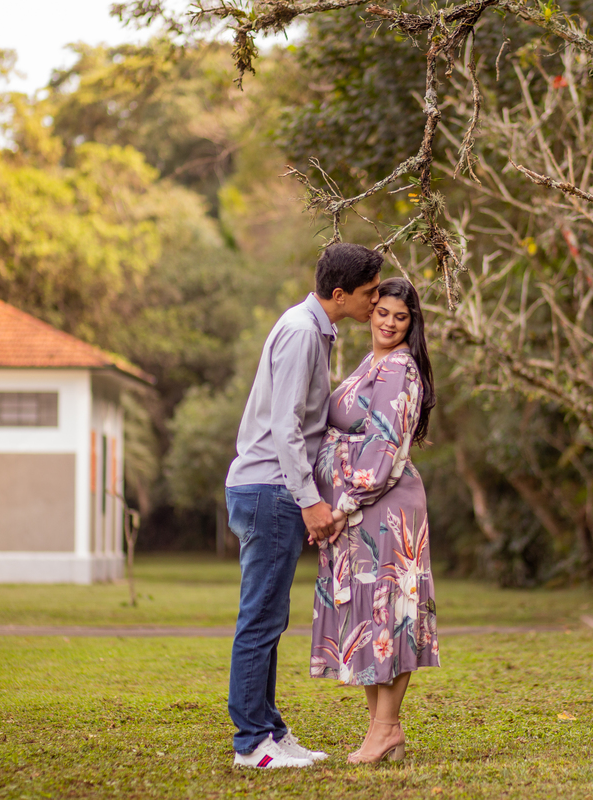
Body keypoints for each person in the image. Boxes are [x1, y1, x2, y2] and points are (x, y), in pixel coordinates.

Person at [224, 243, 383, 769]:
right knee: (260, 619)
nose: (376, 301)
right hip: (272, 489)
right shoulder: (300, 333)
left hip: (273, 490)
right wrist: (311, 502)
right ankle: (251, 744)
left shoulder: (315, 329)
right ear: (339, 294)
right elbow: (286, 429)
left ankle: (268, 728)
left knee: (271, 616)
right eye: (370, 293)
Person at [309, 276, 439, 764]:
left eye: (399, 317)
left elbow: (383, 452)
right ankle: (383, 732)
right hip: (362, 510)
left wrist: (339, 508)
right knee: (370, 616)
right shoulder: (372, 362)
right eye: (382, 312)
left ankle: (384, 730)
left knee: (392, 615)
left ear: (412, 323)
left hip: (382, 509)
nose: (387, 322)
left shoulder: (400, 369)